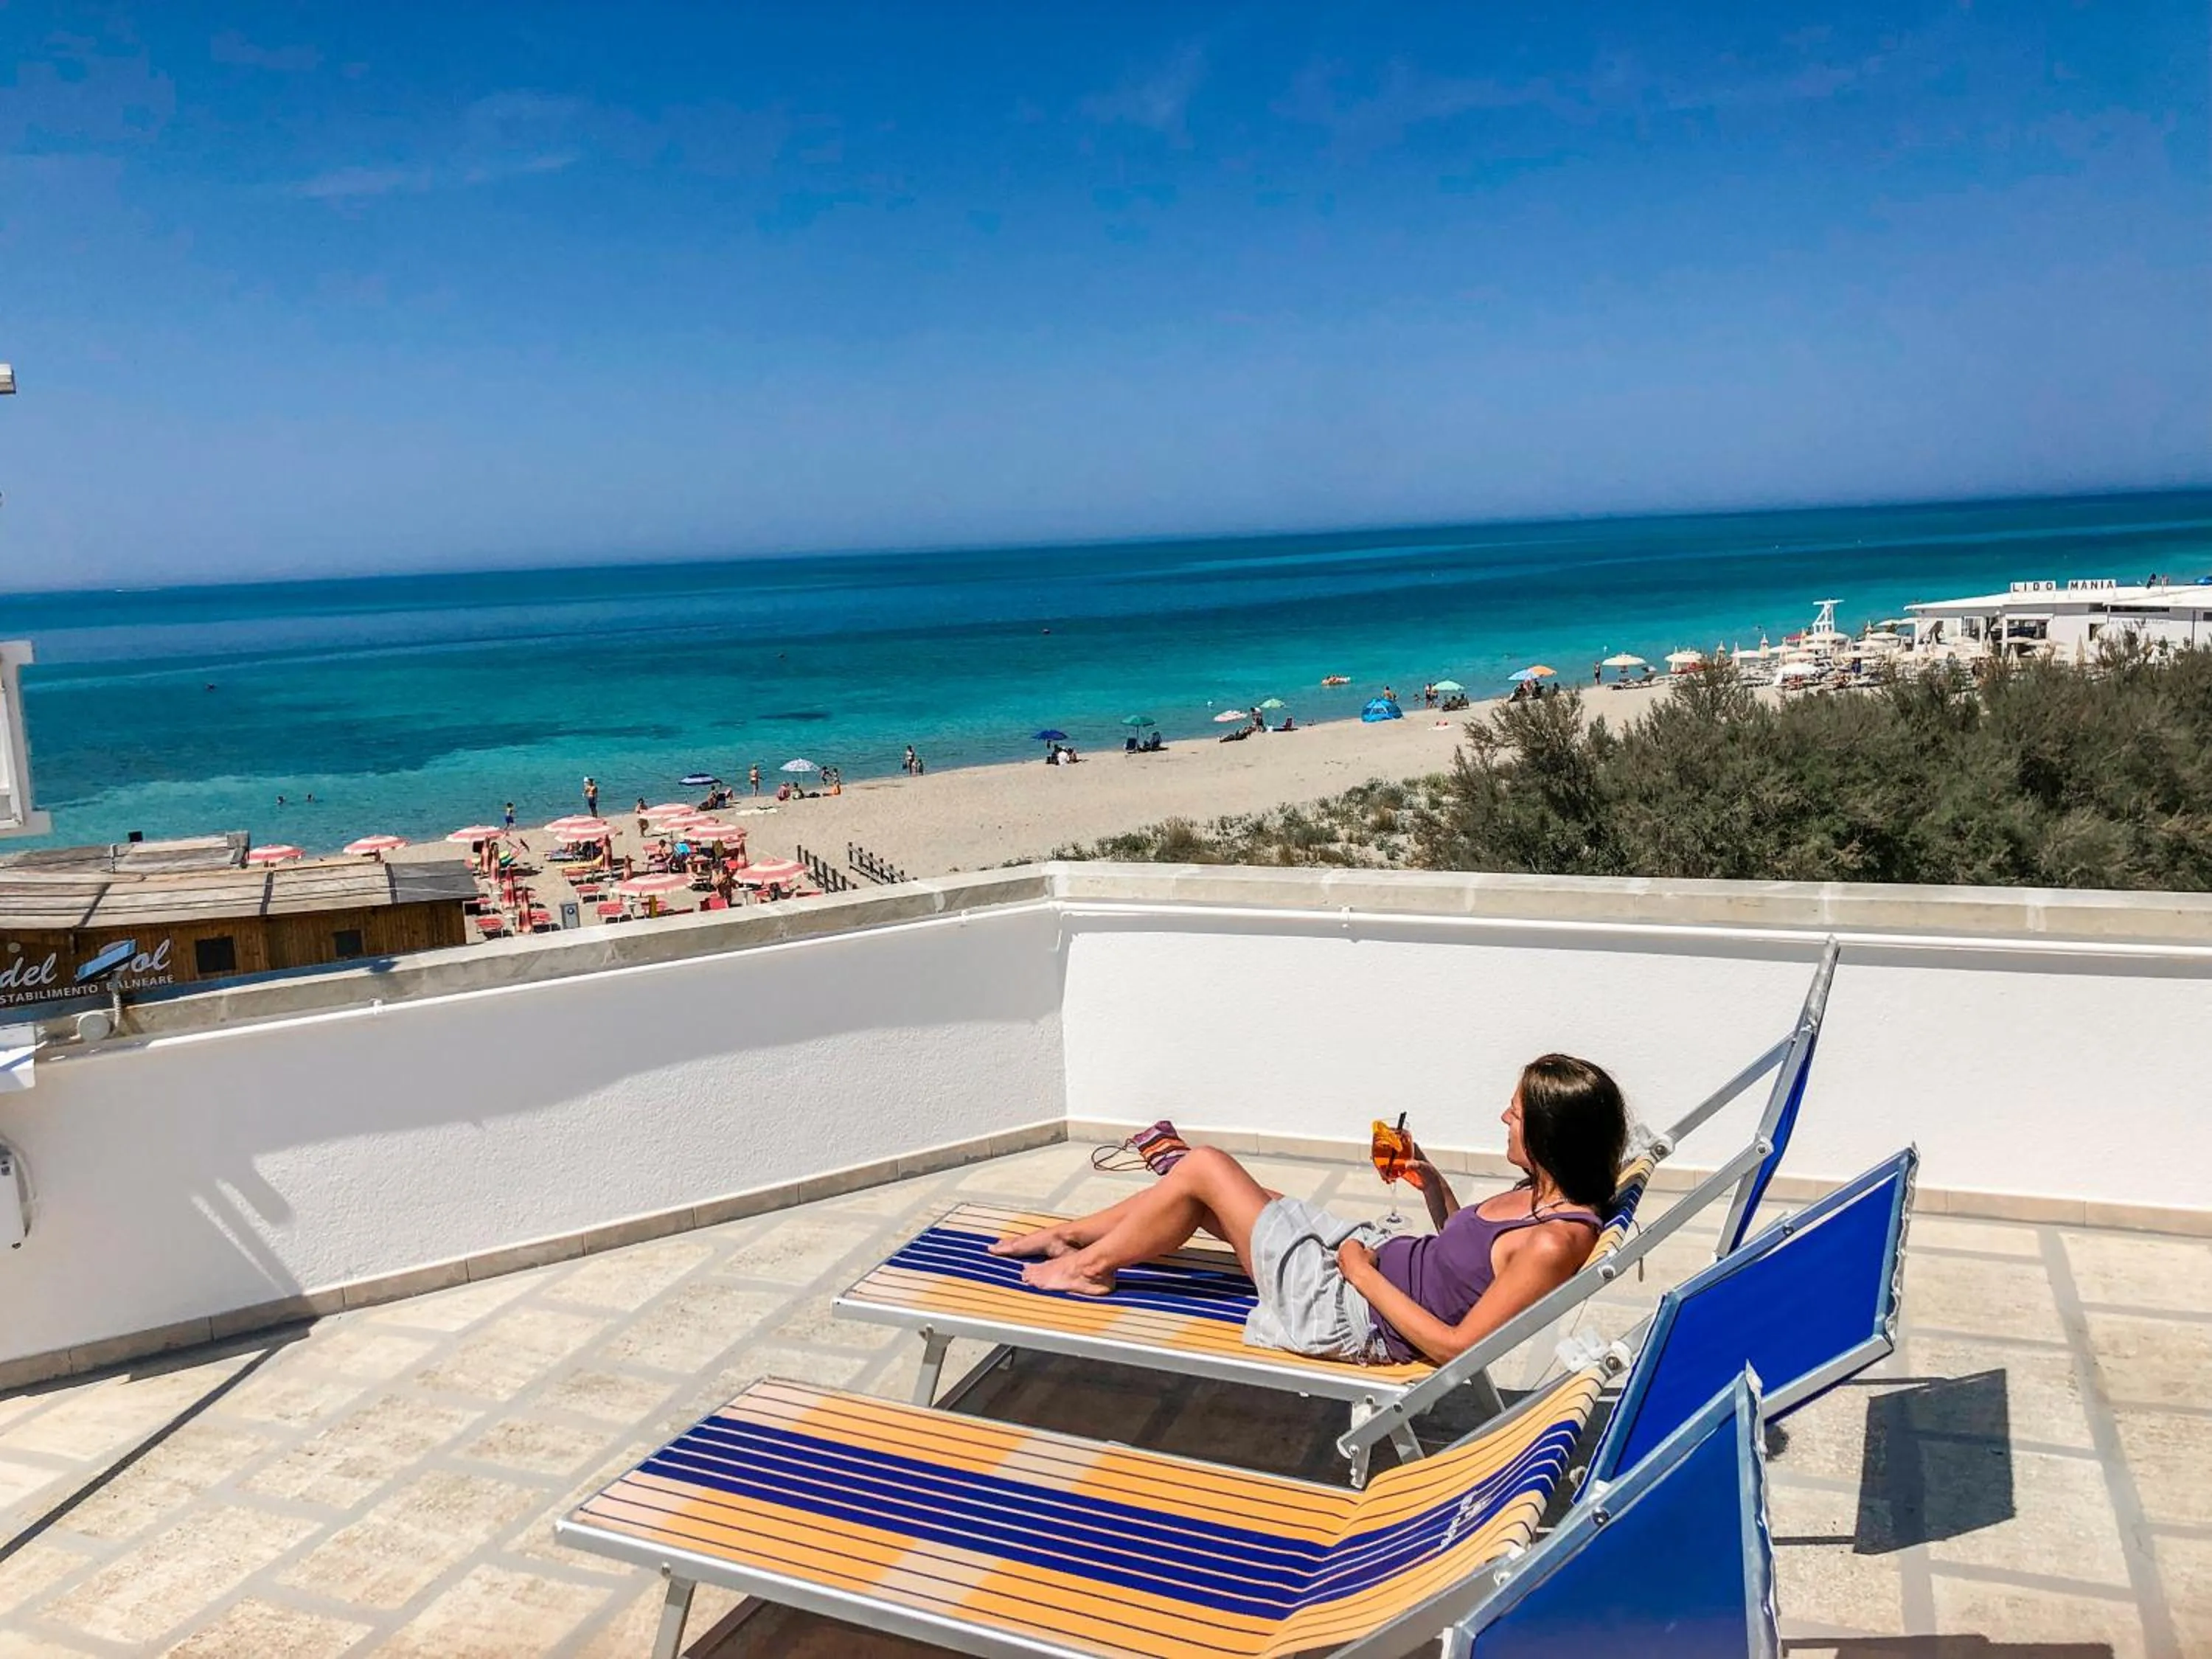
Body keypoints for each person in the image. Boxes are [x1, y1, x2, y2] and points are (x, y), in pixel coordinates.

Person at [991, 1054, 1627, 1367]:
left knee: (1207, 1168)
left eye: (1516, 1112)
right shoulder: (1543, 1195)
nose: (1504, 1118)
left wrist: (1360, 1273)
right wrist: (1428, 1181)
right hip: (1366, 1265)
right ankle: (1073, 1234)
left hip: (1352, 1311)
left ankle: (1089, 1266)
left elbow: (1455, 1347)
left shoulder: (1553, 1242)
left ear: (1548, 1135)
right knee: (1226, 1192)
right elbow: (1469, 1265)